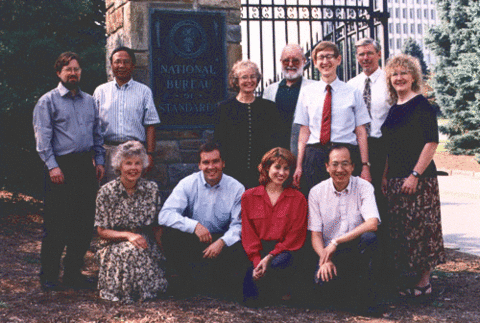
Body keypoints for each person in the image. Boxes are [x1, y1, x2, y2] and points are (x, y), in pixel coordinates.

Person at [33, 52, 105, 291]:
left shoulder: (89, 101)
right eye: (68, 70)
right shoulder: (48, 101)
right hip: (60, 169)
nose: (73, 73)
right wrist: (53, 166)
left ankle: (73, 273)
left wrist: (100, 160)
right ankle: (49, 276)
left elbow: (97, 134)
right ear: (59, 73)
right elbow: (43, 139)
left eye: (76, 69)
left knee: (83, 224)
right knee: (56, 224)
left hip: (85, 167)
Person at [381, 54, 445, 298]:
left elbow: (431, 142)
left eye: (404, 73)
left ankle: (424, 281)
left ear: (413, 77)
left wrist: (415, 174)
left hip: (419, 179)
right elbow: (389, 146)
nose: (399, 78)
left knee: (423, 228)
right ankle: (407, 277)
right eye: (395, 74)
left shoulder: (421, 105)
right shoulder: (393, 109)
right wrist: (386, 176)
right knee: (403, 229)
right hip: (396, 178)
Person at [158, 142, 247, 299]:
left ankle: (221, 284)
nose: (211, 167)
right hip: (197, 238)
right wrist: (194, 226)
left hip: (221, 240)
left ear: (223, 163)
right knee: (169, 234)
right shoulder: (188, 183)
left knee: (241, 242)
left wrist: (222, 242)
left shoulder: (237, 188)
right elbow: (165, 215)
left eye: (215, 161)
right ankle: (187, 281)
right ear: (199, 165)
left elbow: (239, 225)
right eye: (206, 162)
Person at [308, 145, 381, 315]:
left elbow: (372, 223)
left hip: (356, 250)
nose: (340, 169)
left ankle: (366, 300)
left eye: (345, 164)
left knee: (370, 238)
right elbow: (316, 235)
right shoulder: (316, 192)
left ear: (353, 166)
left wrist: (337, 241)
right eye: (334, 164)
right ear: (327, 167)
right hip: (331, 255)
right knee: (322, 287)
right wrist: (324, 259)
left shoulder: (364, 187)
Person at [293, 41, 372, 194]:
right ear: (315, 63)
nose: (325, 62)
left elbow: (361, 131)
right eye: (320, 57)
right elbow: (304, 131)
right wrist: (299, 165)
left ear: (338, 60)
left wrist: (365, 166)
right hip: (315, 155)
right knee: (315, 202)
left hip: (345, 154)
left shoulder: (352, 92)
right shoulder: (307, 93)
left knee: (348, 201)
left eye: (329, 57)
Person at [95, 141, 168, 303]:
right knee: (129, 252)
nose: (133, 168)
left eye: (138, 163)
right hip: (112, 243)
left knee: (139, 251)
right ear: (119, 165)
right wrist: (128, 235)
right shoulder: (106, 192)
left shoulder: (151, 189)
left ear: (143, 166)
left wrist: (162, 250)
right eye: (128, 163)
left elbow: (157, 226)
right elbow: (101, 231)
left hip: (144, 240)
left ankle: (143, 290)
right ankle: (125, 293)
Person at [241, 147, 308, 305]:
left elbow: (295, 237)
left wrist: (270, 257)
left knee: (279, 265)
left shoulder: (298, 199)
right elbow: (248, 233)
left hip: (284, 251)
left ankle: (281, 292)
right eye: (277, 167)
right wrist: (257, 261)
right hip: (256, 250)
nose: (282, 173)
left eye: (286, 168)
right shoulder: (249, 197)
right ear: (266, 168)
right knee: (250, 298)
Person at [93, 46, 160, 183]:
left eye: (126, 62)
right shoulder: (100, 91)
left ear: (133, 65)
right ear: (111, 64)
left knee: (136, 195)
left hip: (136, 152)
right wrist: (94, 156)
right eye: (117, 62)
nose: (121, 65)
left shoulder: (144, 92)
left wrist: (150, 154)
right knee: (109, 194)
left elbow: (151, 124)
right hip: (109, 152)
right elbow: (92, 126)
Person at [214, 60, 284, 189]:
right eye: (244, 77)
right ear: (236, 81)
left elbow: (276, 140)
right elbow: (219, 141)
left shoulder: (269, 108)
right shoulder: (224, 108)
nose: (249, 81)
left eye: (253, 76)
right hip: (232, 171)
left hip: (262, 172)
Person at [347, 38, 391, 215]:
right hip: (357, 148)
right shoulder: (351, 85)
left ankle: (385, 240)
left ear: (379, 54)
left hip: (383, 147)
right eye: (361, 54)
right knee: (358, 198)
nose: (365, 57)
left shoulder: (389, 82)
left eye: (369, 53)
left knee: (383, 198)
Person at [263, 44, 317, 157]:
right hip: (276, 156)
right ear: (280, 61)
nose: (290, 64)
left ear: (304, 61)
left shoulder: (314, 88)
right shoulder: (270, 90)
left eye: (296, 61)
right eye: (286, 61)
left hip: (304, 156)